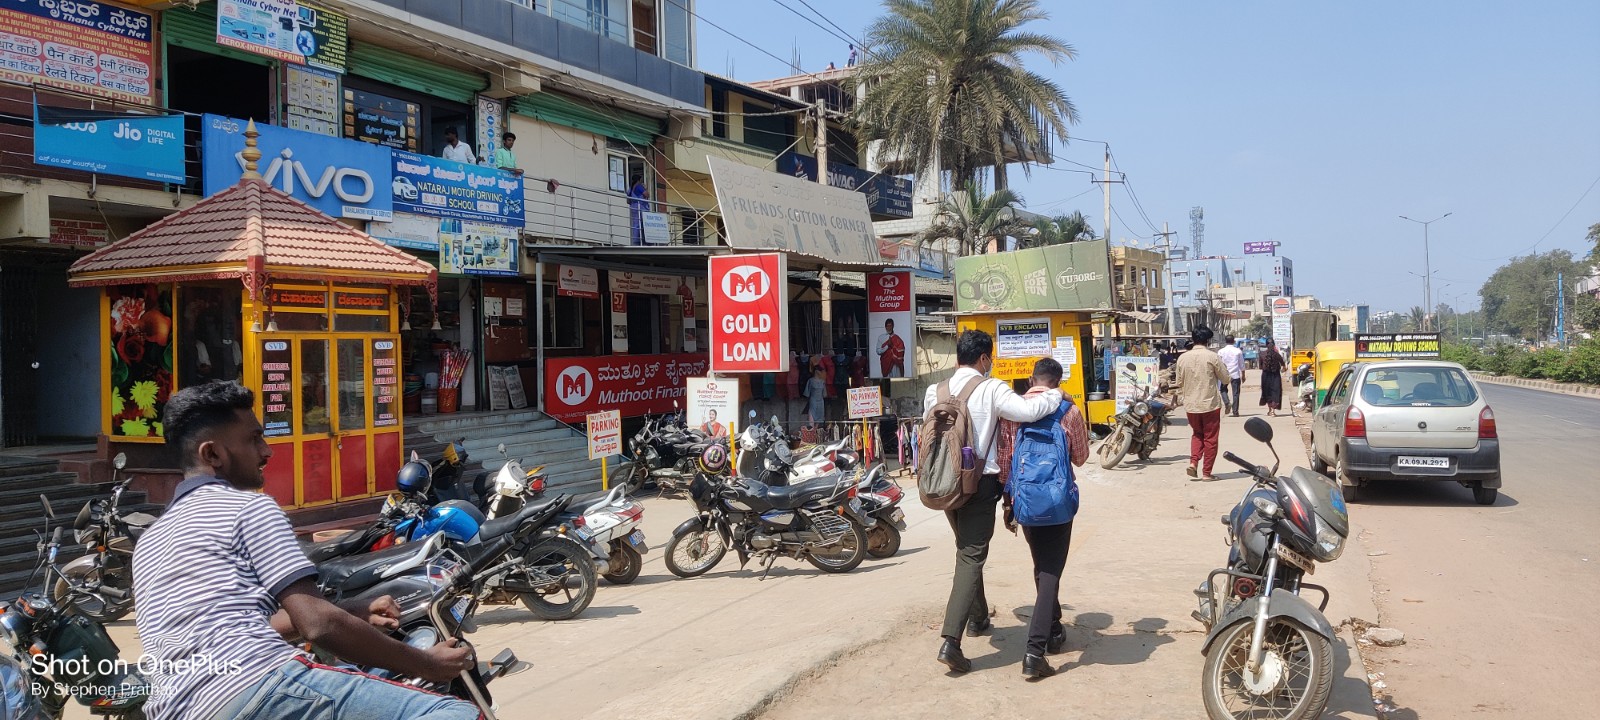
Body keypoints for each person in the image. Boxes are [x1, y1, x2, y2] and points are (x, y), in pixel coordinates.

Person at [132, 381, 476, 720]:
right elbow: (317, 625)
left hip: (179, 709)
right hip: (256, 685)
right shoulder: (249, 508)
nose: (267, 451)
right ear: (212, 454)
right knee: (452, 712)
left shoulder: (150, 541)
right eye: (254, 439)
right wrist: (428, 664)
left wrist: (351, 611)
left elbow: (239, 628)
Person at [922, 330, 1062, 674]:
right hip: (979, 484)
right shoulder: (991, 387)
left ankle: (978, 617)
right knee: (971, 554)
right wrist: (1054, 394)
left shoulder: (934, 391)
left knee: (966, 548)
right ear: (984, 358)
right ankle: (950, 641)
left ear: (957, 357)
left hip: (942, 481)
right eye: (991, 359)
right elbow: (1027, 411)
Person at [995, 358, 1088, 678]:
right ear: (1059, 382)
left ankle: (1054, 626)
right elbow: (1081, 457)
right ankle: (1035, 651)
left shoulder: (1016, 410)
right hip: (1059, 502)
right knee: (1050, 571)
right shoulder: (1070, 411)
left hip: (1025, 501)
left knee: (1042, 566)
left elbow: (1005, 461)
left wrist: (1009, 503)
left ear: (1033, 378)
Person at [1174, 326, 1229, 481]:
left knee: (1197, 434)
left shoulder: (1183, 358)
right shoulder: (1213, 357)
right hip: (1210, 404)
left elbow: (1178, 382)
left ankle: (1193, 462)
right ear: (1208, 340)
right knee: (1210, 438)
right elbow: (1225, 378)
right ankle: (1206, 473)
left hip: (1191, 405)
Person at [1258, 337, 1287, 417]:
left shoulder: (1262, 354)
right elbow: (1283, 365)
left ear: (1266, 345)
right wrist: (1283, 369)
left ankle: (1270, 410)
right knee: (1275, 392)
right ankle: (1273, 411)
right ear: (1274, 345)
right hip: (1276, 375)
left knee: (1267, 392)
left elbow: (1260, 367)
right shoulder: (1277, 354)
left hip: (1265, 376)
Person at [1217, 335, 1244, 417]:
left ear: (1225, 341)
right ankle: (1235, 411)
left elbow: (1218, 364)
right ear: (1234, 341)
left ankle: (1227, 402)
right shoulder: (1238, 351)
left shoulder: (1221, 351)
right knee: (1236, 393)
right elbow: (1241, 364)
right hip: (1235, 375)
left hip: (1224, 374)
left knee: (1223, 390)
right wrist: (1243, 375)